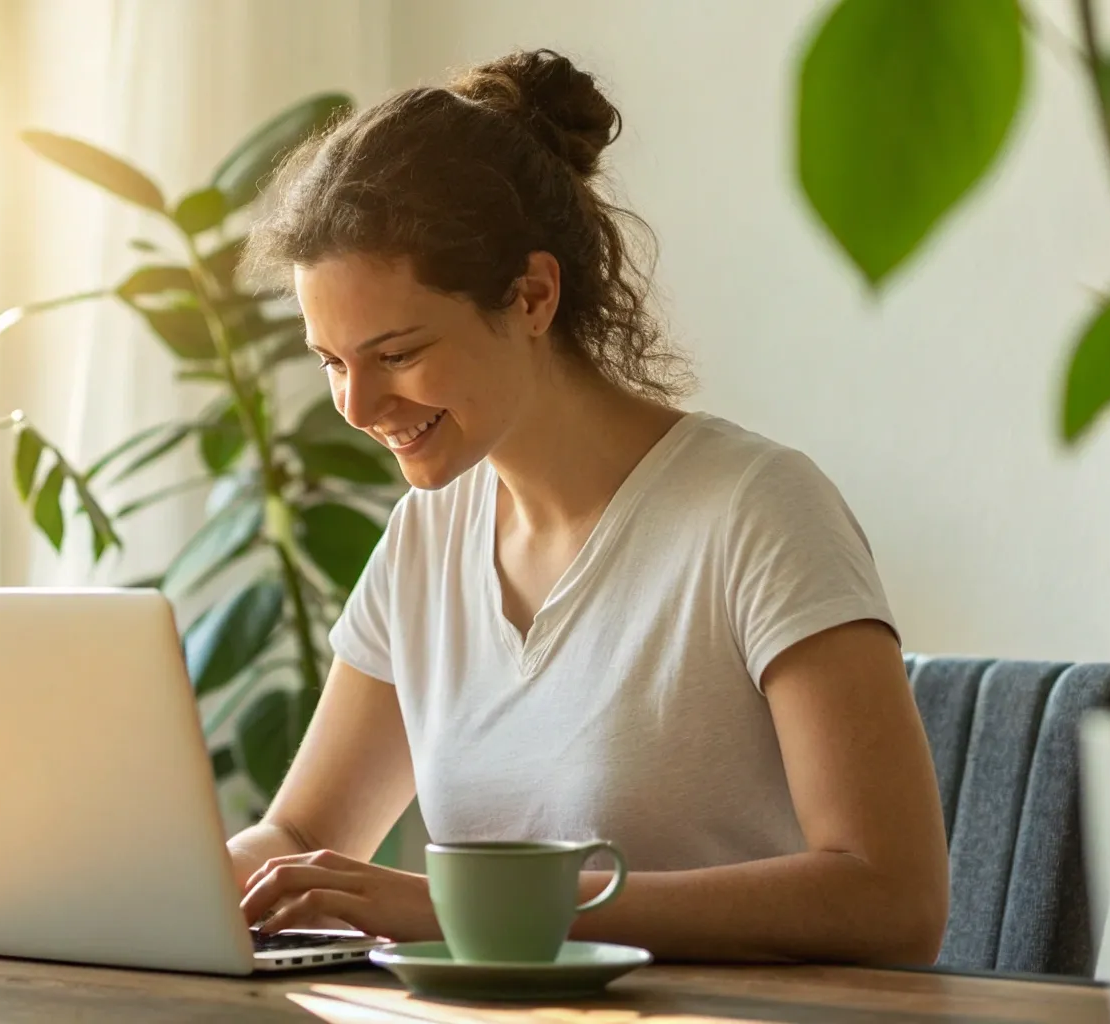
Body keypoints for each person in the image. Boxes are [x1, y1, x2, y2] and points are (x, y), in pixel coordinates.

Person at [225, 49, 949, 966]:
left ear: (532, 296)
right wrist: (172, 892)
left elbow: (893, 897)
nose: (358, 407)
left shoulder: (756, 511)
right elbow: (295, 837)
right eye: (332, 362)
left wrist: (467, 909)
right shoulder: (427, 538)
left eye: (396, 353)